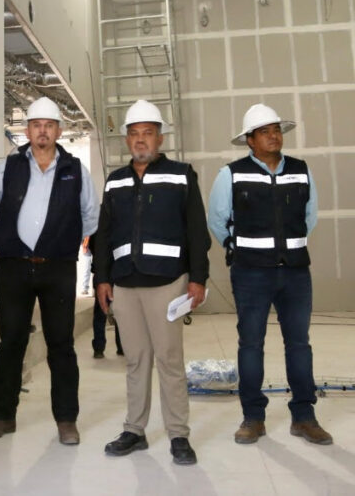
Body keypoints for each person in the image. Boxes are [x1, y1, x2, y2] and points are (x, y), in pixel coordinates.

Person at [92, 100, 211, 466]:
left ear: (160, 138)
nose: (140, 139)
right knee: (135, 360)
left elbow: (197, 230)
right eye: (134, 133)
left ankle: (178, 434)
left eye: (147, 133)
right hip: (125, 283)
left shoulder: (181, 174)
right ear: (126, 140)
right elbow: (104, 234)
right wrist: (102, 278)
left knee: (169, 359)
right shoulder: (115, 180)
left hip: (167, 281)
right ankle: (135, 430)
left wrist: (198, 278)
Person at [0, 97, 98, 446]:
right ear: (27, 131)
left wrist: (60, 240)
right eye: (36, 125)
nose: (42, 131)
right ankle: (2, 416)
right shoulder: (9, 167)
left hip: (58, 269)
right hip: (14, 267)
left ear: (59, 130)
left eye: (49, 125)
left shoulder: (75, 169)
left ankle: (66, 420)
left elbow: (90, 215)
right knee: (11, 343)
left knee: (61, 345)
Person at [208, 103, 331, 446]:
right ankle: (253, 417)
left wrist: (288, 247)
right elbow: (217, 220)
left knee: (299, 344)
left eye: (276, 130)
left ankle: (304, 417)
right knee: (251, 344)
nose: (274, 136)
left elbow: (310, 217)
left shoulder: (301, 170)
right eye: (265, 132)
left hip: (295, 272)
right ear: (250, 140)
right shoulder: (231, 174)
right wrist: (239, 249)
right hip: (250, 273)